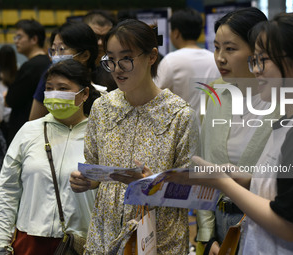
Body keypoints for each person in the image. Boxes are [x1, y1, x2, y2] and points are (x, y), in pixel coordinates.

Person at [167, 12, 293, 254]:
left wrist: (223, 183)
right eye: (254, 60)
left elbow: (290, 224)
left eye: (263, 60)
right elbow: (289, 186)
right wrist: (246, 179)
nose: (256, 70)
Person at [69, 19, 198, 254]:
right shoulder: (103, 107)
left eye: (126, 59)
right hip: (105, 238)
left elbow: (194, 190)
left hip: (158, 241)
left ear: (151, 56)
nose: (118, 68)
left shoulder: (179, 115)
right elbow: (95, 168)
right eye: (110, 59)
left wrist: (155, 185)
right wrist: (88, 180)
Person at [195, 8, 279, 255]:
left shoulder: (286, 101)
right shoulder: (215, 92)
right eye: (217, 47)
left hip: (267, 225)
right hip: (220, 226)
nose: (220, 58)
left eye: (230, 49)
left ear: (258, 51)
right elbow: (205, 166)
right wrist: (208, 236)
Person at [0, 59, 100, 255]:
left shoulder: (99, 135)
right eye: (49, 88)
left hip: (80, 244)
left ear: (85, 93)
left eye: (63, 88)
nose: (54, 95)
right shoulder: (30, 131)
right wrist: (1, 242)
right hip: (29, 241)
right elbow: (7, 190)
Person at [155, 8, 219, 124]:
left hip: (182, 132)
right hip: (210, 131)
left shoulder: (171, 61)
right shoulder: (214, 59)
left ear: (176, 33)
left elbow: (154, 95)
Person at [29, 21, 102, 121]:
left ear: (85, 55)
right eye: (53, 50)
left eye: (61, 49)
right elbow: (34, 119)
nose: (55, 56)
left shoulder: (105, 79)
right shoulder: (50, 78)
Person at [5, 19, 51, 145]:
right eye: (15, 37)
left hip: (24, 132)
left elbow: (10, 100)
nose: (16, 41)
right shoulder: (47, 63)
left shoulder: (31, 66)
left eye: (19, 36)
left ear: (34, 39)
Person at [83, 10, 118, 91]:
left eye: (106, 37)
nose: (100, 43)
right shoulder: (73, 67)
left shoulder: (120, 68)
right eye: (95, 36)